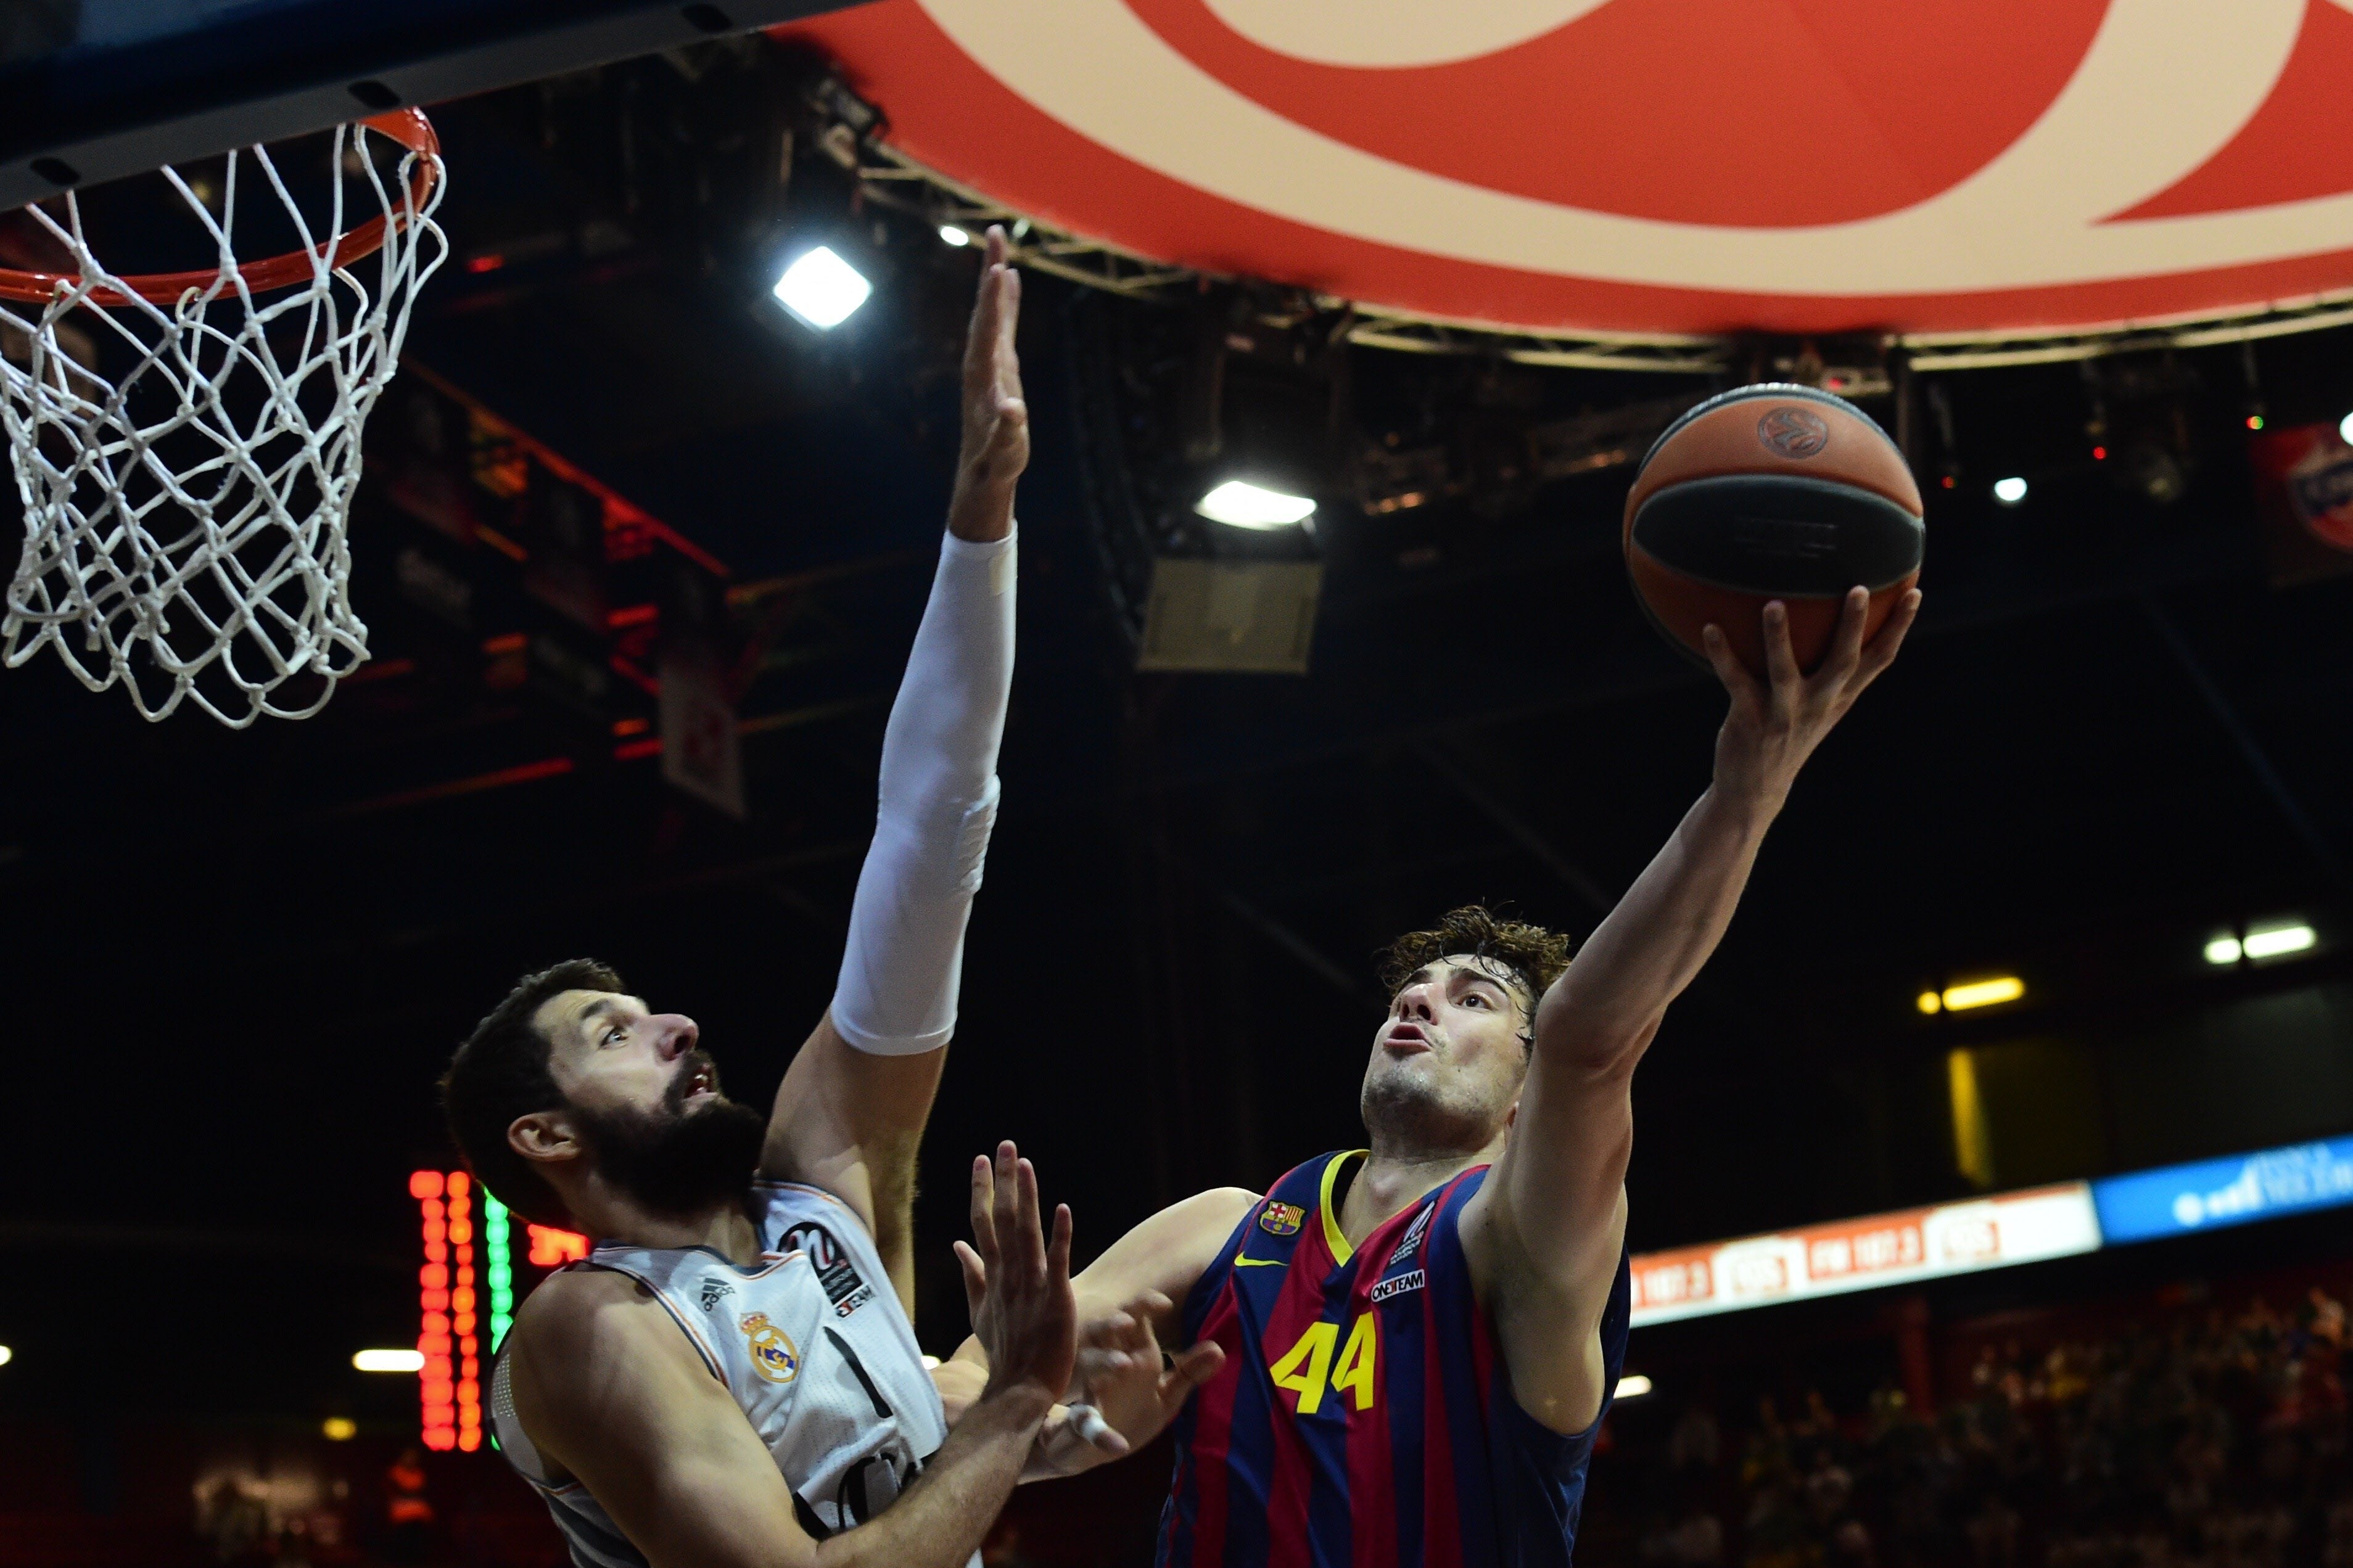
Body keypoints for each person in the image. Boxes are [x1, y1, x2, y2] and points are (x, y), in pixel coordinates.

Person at [944, 587, 1921, 1566]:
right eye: (1410, 993)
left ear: (1525, 1092)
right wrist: (1014, 1412)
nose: (1417, 1005)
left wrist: (1748, 789)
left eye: (1474, 1001)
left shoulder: (1514, 1238)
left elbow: (1589, 1038)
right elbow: (971, 1382)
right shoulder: (1229, 1226)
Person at [439, 229, 1146, 1568]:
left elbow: (931, 840)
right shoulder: (588, 1329)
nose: (677, 1025)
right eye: (615, 1034)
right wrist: (1006, 1415)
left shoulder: (825, 1189)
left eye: (649, 1011)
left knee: (1227, 1224)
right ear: (544, 1136)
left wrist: (981, 517)